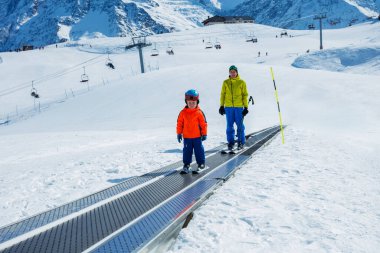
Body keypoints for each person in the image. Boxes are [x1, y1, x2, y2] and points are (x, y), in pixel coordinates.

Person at [177, 89, 208, 174]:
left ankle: (201, 164)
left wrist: (204, 133)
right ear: (186, 102)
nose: (191, 104)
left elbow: (203, 124)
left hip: (197, 137)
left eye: (193, 103)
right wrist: (179, 133)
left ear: (197, 102)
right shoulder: (183, 113)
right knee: (187, 151)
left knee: (199, 151)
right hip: (187, 137)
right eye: (189, 103)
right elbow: (179, 124)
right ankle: (187, 165)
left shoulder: (199, 113)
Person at [219, 65, 249, 150]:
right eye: (231, 72)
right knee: (229, 126)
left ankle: (241, 142)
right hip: (228, 107)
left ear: (237, 72)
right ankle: (231, 142)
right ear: (229, 72)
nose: (232, 73)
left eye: (234, 72)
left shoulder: (241, 82)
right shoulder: (225, 82)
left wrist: (246, 107)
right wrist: (221, 106)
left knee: (240, 125)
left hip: (239, 107)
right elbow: (222, 94)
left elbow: (244, 95)